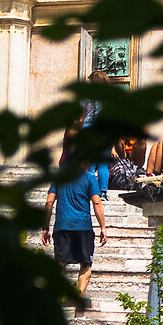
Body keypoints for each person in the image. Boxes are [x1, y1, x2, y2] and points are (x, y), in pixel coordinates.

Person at [47, 111, 109, 301]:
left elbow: (49, 201)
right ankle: (78, 300)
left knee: (60, 263)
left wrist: (45, 226)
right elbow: (97, 201)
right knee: (85, 265)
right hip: (83, 226)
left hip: (62, 225)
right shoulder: (90, 178)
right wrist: (103, 227)